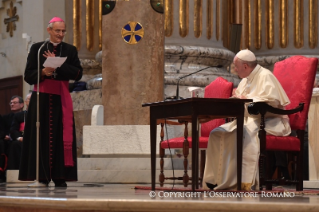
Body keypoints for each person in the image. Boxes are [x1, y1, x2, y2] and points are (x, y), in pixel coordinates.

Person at [203, 49, 291, 191]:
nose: (234, 69)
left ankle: (243, 182)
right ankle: (218, 181)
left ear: (245, 66)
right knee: (217, 132)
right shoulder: (245, 80)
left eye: (236, 66)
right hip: (247, 120)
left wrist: (247, 100)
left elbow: (272, 102)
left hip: (269, 121)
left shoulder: (265, 76)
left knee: (242, 133)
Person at [19, 16, 83, 187]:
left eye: (63, 31)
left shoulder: (70, 50)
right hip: (41, 98)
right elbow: (28, 75)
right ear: (49, 30)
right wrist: (44, 72)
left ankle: (60, 177)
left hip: (61, 98)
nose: (61, 34)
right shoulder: (37, 49)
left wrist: (59, 66)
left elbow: (78, 74)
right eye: (57, 31)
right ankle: (41, 178)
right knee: (40, 136)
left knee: (61, 136)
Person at [0, 96, 24, 181]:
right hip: (7, 140)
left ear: (22, 105)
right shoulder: (5, 118)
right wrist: (4, 136)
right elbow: (3, 129)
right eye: (11, 103)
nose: (12, 104)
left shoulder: (25, 115)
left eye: (14, 102)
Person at [7, 93, 32, 170]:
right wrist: (19, 138)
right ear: (25, 102)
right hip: (22, 139)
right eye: (29, 100)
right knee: (15, 144)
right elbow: (13, 129)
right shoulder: (19, 115)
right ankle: (15, 171)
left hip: (35, 139)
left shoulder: (41, 114)